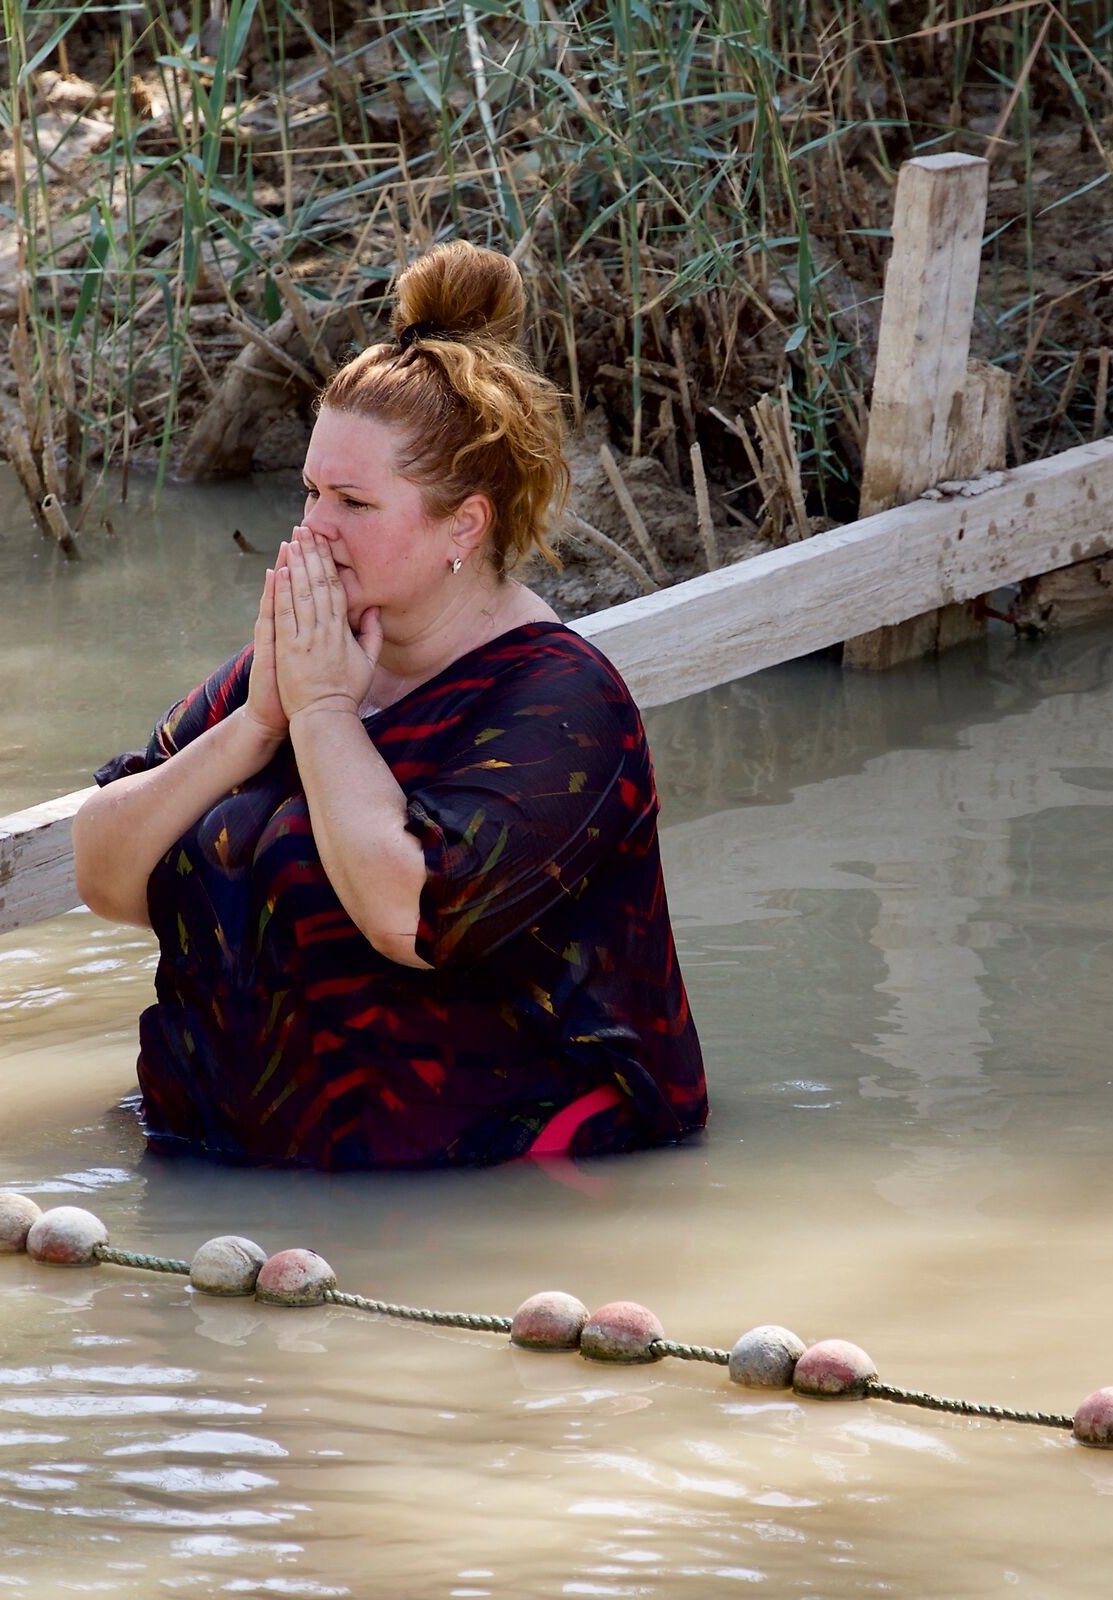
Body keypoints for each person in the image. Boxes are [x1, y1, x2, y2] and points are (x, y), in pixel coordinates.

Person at [73, 241, 706, 1169]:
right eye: (311, 493)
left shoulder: (566, 704)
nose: (314, 528)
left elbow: (404, 917)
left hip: (496, 1194)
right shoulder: (299, 664)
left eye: (354, 502)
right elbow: (104, 875)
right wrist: (258, 722)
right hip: (224, 1170)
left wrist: (325, 715)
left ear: (464, 524)